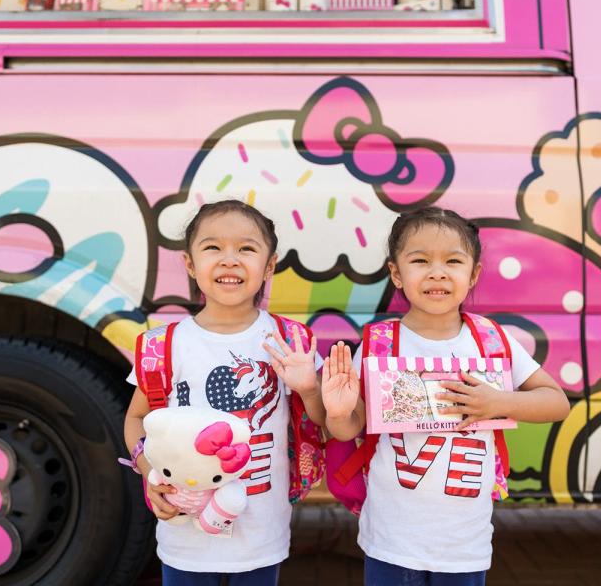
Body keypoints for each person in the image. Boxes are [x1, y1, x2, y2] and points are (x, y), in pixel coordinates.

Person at [322, 206, 570, 586]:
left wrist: (499, 402)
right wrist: (338, 414)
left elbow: (556, 402)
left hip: (464, 544)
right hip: (391, 540)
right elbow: (347, 428)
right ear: (396, 274)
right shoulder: (380, 344)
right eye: (420, 260)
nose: (437, 272)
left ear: (473, 276)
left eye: (452, 261)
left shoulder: (491, 340)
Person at [124, 200, 325, 586]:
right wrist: (150, 476)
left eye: (246, 249)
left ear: (269, 266)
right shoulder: (163, 346)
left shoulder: (288, 342)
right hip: (184, 534)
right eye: (213, 248)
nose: (229, 260)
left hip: (260, 533)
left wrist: (310, 389)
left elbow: (319, 423)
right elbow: (136, 419)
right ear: (189, 263)